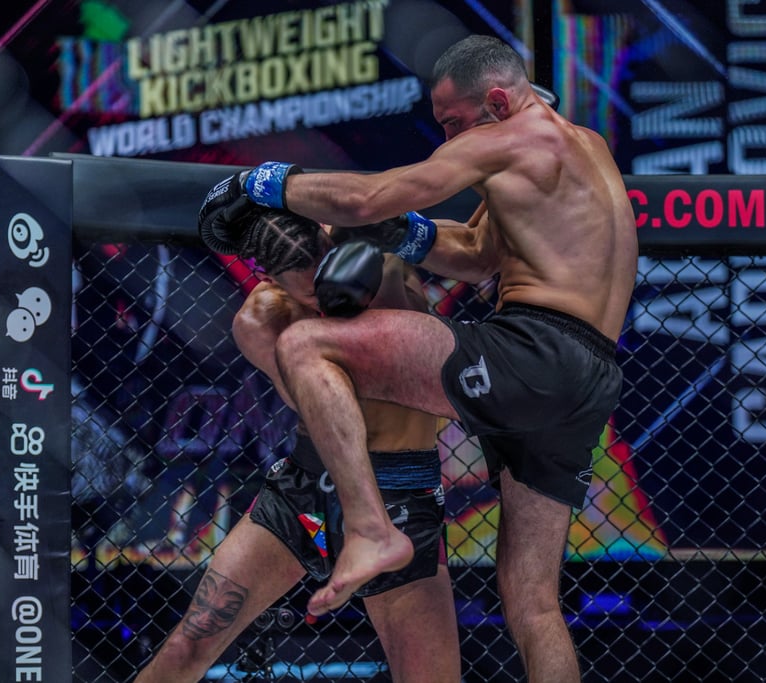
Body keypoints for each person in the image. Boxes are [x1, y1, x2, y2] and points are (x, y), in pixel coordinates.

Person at [199, 33, 638, 682]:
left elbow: (366, 199)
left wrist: (264, 183)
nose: (448, 140)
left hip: (535, 350)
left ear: (497, 101)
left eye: (454, 123)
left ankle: (370, 528)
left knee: (303, 342)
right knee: (533, 601)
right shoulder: (585, 147)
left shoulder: (506, 138)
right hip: (590, 377)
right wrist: (409, 233)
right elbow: (481, 257)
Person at [133, 207, 461, 682]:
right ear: (270, 278)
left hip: (401, 491)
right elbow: (322, 404)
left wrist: (378, 281)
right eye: (310, 292)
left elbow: (413, 368)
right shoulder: (261, 320)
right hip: (308, 488)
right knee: (189, 644)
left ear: (327, 241)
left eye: (328, 271)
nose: (327, 294)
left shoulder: (381, 257)